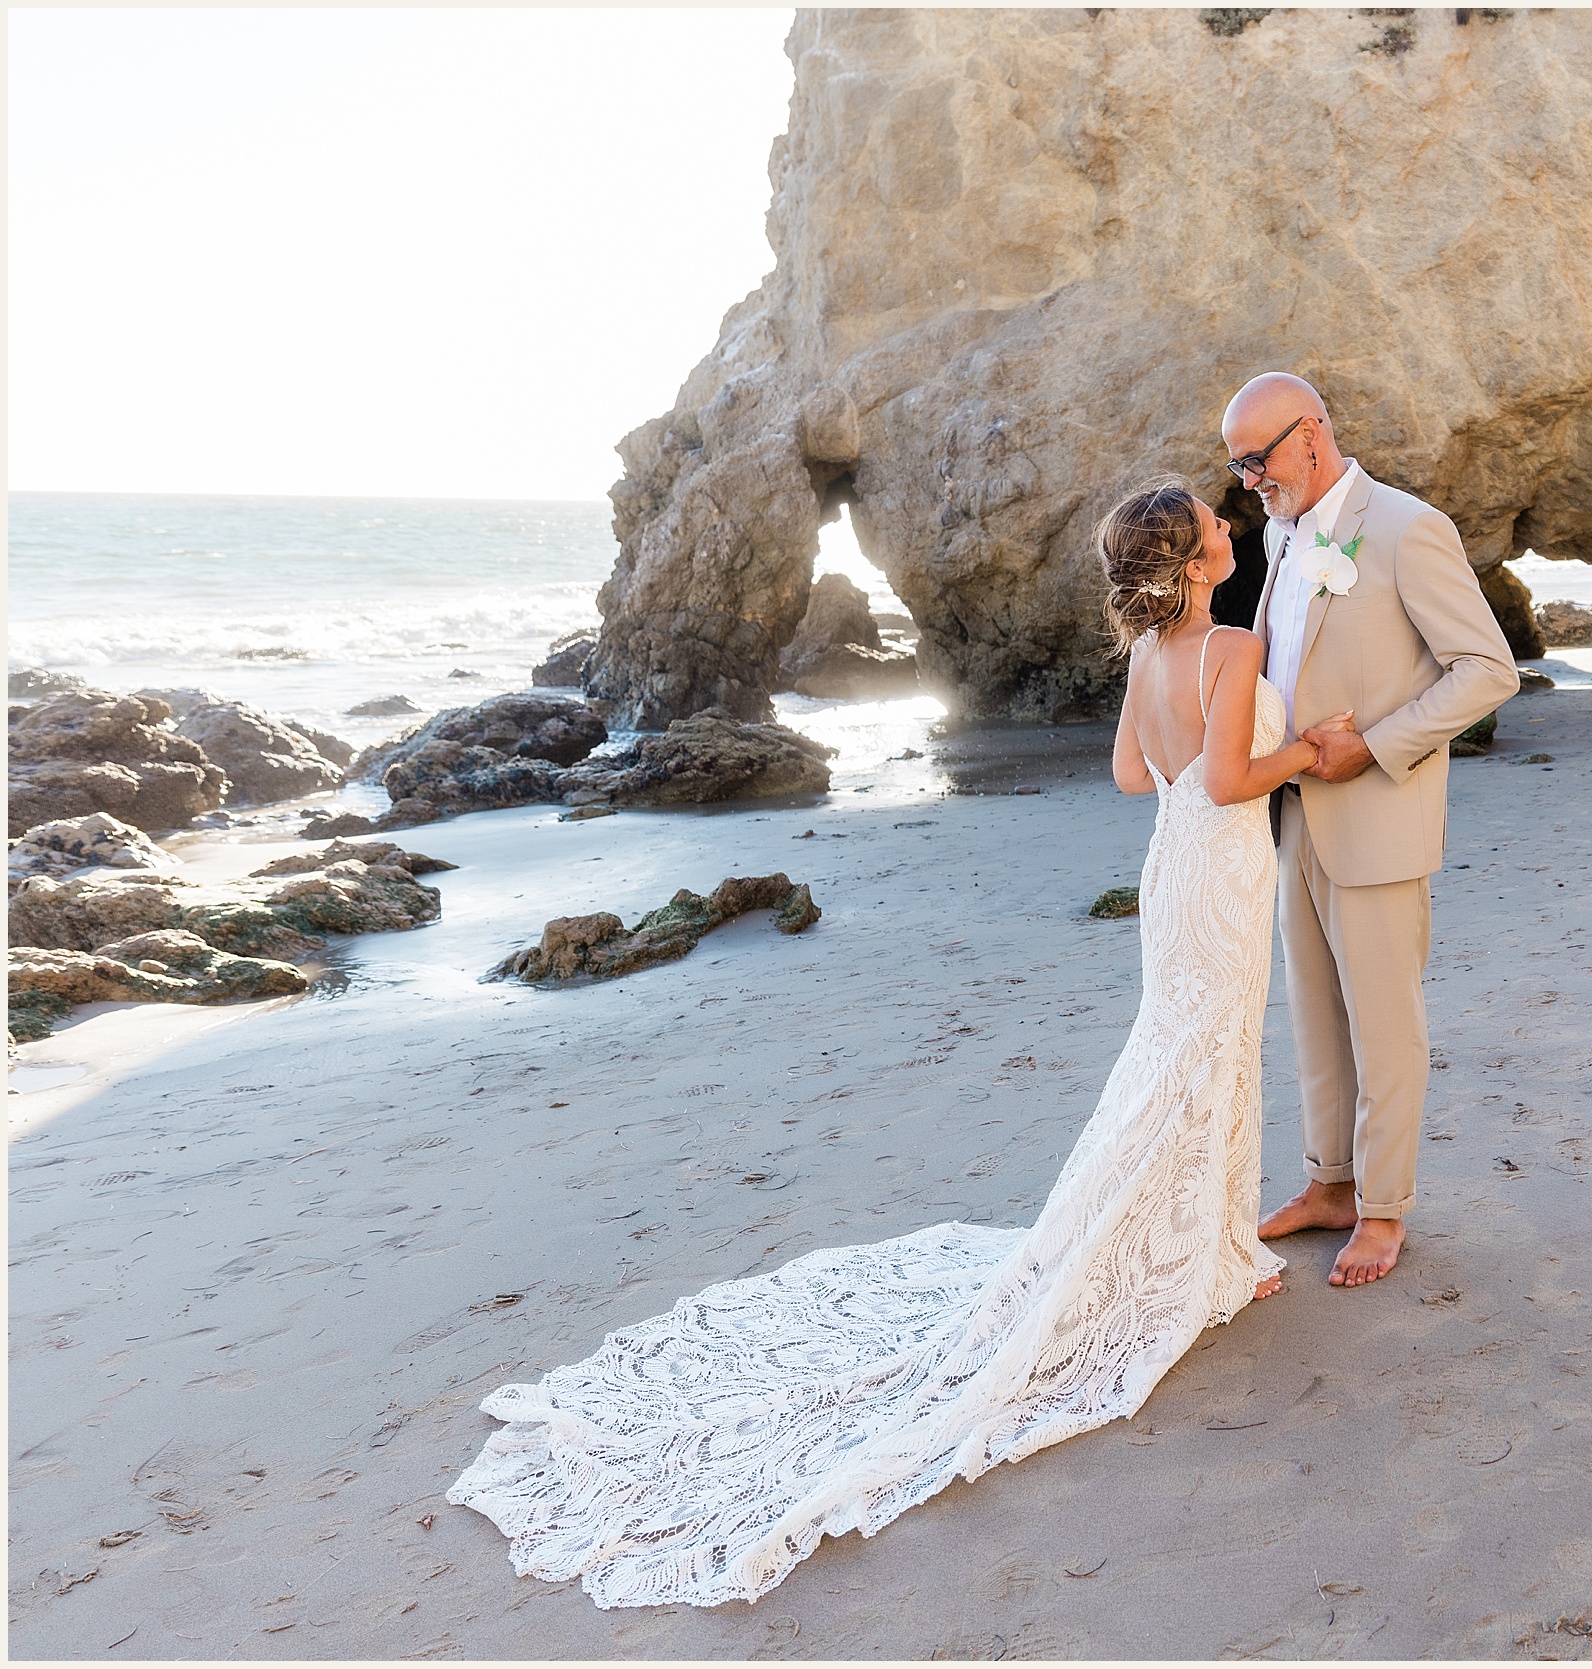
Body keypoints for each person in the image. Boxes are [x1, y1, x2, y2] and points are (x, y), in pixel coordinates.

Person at [448, 480, 1341, 1610]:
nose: (1231, 532)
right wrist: (1305, 745)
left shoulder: (1152, 660)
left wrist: (1235, 742)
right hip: (1217, 870)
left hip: (1174, 871)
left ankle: (1211, 1243)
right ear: (1198, 562)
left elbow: (1134, 775)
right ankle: (1206, 1253)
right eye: (1219, 530)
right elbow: (1228, 778)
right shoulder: (1221, 657)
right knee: (1205, 1056)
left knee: (1177, 1054)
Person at [1225, 373, 1520, 1287]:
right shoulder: (1279, 534)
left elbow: (1486, 669)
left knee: (1384, 1023)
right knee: (1314, 1013)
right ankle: (1330, 1183)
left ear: (1311, 434)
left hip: (1379, 812)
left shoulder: (1405, 528)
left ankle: (1384, 1208)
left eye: (1257, 458)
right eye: (1235, 465)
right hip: (1292, 814)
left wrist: (1379, 745)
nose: (1247, 482)